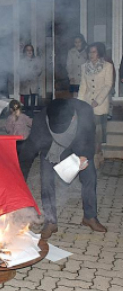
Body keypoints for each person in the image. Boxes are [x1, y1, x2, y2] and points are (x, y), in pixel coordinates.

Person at [19, 98, 107, 240]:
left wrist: (85, 155)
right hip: (51, 150)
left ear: (73, 118)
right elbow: (29, 151)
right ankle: (51, 221)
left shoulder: (84, 111)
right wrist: (20, 177)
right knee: (46, 182)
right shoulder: (41, 119)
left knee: (90, 178)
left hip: (77, 148)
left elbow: (90, 135)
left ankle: (90, 217)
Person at [78, 42, 113, 168]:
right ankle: (90, 156)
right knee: (88, 132)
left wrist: (98, 100)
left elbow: (108, 85)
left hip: (100, 104)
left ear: (99, 52)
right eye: (90, 52)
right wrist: (79, 103)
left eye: (94, 52)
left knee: (98, 134)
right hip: (87, 105)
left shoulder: (107, 66)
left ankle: (98, 155)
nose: (91, 54)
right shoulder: (84, 66)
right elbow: (83, 86)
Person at [17, 44, 42, 117]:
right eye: (27, 50)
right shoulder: (22, 61)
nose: (29, 52)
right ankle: (26, 112)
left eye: (31, 50)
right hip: (25, 82)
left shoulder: (36, 60)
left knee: (33, 97)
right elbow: (18, 70)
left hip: (33, 81)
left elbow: (40, 69)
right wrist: (24, 74)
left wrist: (34, 73)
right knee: (26, 97)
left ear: (33, 51)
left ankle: (32, 112)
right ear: (25, 51)